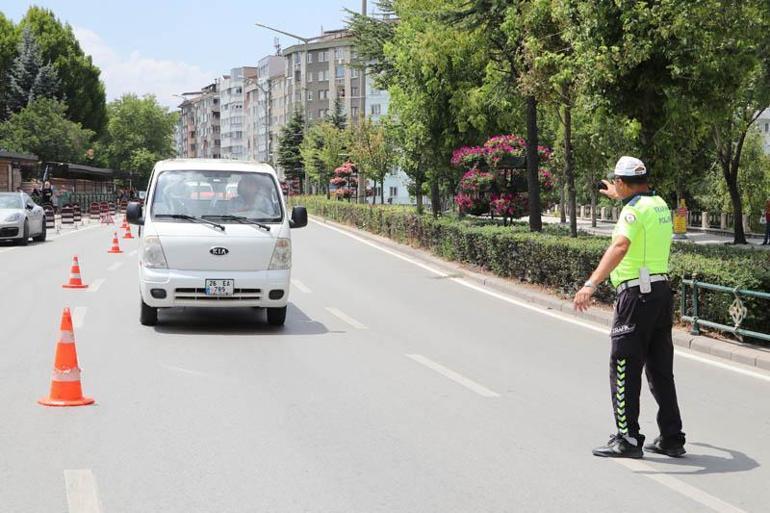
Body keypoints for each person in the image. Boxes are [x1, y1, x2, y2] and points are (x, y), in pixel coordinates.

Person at [573, 156, 685, 459]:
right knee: (660, 368)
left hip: (636, 297)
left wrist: (590, 284)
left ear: (622, 182)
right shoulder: (659, 204)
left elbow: (620, 246)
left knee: (623, 365)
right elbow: (639, 208)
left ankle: (628, 439)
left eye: (617, 184)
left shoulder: (632, 212)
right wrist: (620, 195)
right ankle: (672, 437)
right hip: (661, 293)